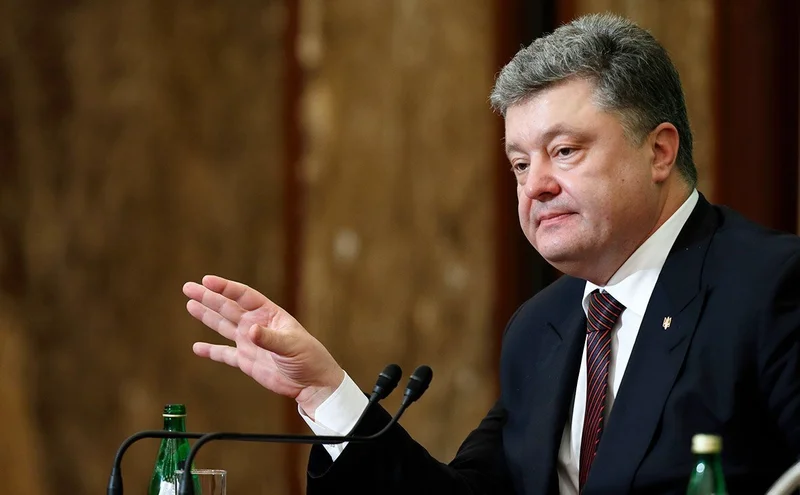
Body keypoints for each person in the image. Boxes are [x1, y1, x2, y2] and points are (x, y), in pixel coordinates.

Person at [182, 13, 800, 494]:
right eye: (520, 164)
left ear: (659, 152)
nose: (536, 187)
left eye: (564, 152)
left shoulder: (771, 287)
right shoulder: (542, 330)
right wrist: (326, 392)